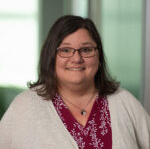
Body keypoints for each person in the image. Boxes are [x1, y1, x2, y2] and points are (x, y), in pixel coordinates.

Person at [0, 15, 149, 149]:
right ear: (51, 56)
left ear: (99, 56)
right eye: (65, 50)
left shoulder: (125, 102)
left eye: (86, 50)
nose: (77, 58)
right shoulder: (24, 106)